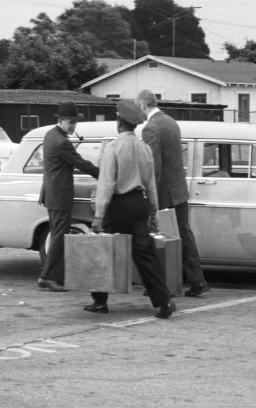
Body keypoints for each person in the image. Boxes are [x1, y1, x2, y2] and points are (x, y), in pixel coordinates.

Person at [87, 100, 176, 318]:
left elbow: (106, 184)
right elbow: (151, 184)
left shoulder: (113, 148)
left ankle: (99, 301)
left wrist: (99, 215)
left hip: (118, 205)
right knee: (144, 254)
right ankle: (163, 300)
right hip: (140, 203)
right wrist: (153, 213)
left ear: (119, 123)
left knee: (106, 251)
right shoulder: (144, 148)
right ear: (134, 125)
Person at [136, 90, 208, 297]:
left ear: (142, 105)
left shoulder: (150, 129)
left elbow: (154, 167)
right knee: (184, 235)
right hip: (178, 190)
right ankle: (197, 279)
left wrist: (152, 199)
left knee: (162, 238)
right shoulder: (171, 122)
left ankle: (162, 284)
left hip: (164, 193)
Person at [37, 102, 99, 292]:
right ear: (61, 120)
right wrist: (104, 175)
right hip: (59, 194)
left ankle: (52, 275)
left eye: (75, 122)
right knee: (59, 236)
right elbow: (81, 163)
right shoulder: (62, 142)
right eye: (70, 122)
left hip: (53, 193)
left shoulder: (50, 135)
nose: (73, 126)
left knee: (58, 234)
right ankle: (48, 277)